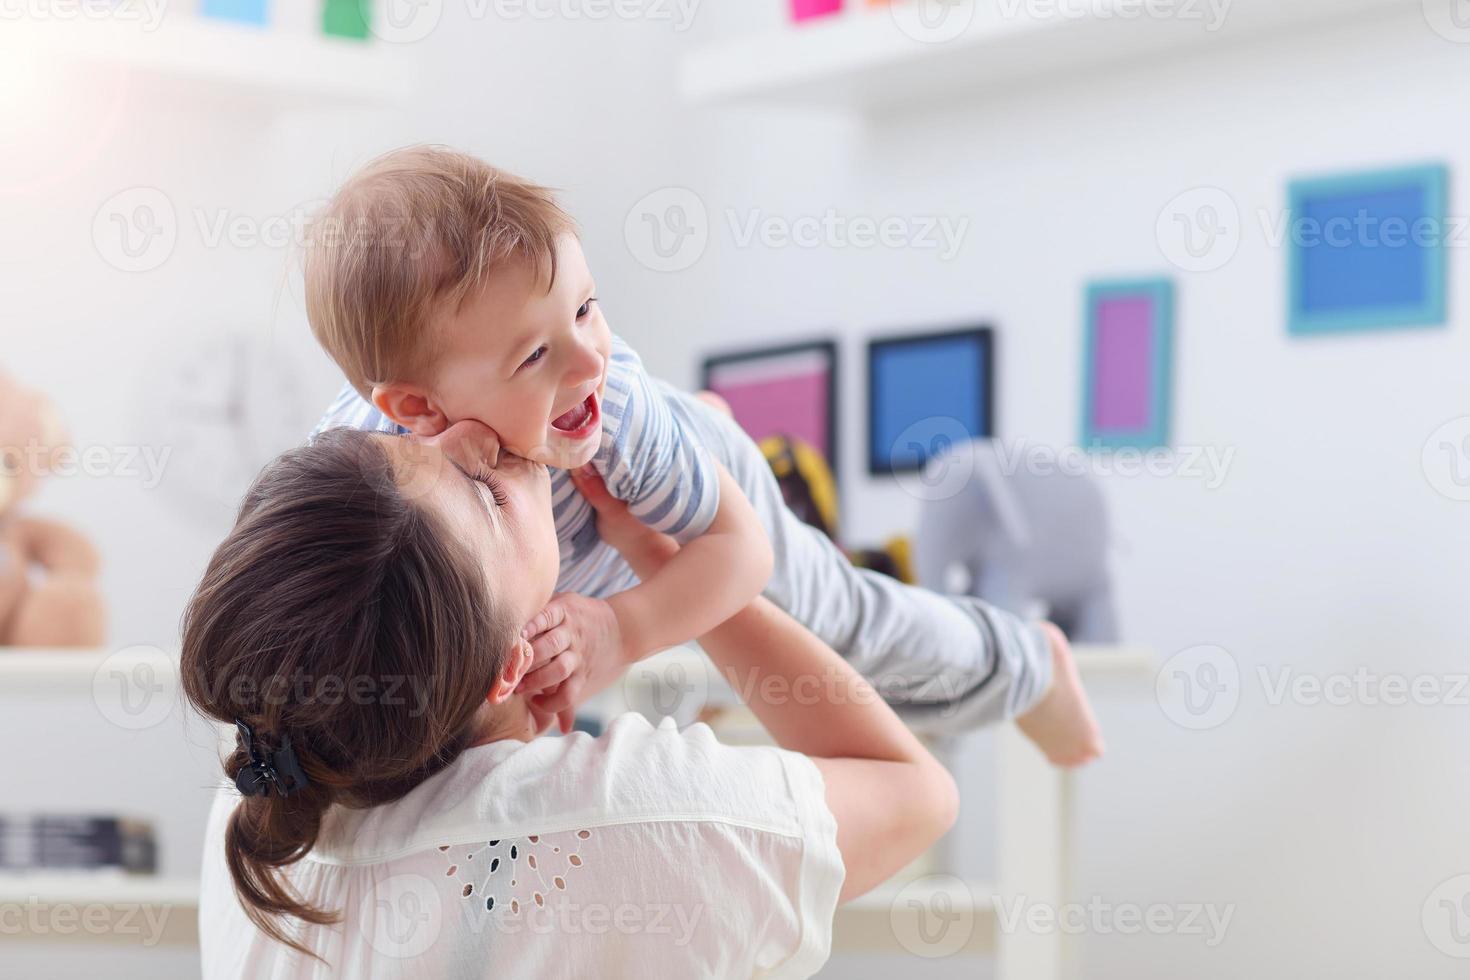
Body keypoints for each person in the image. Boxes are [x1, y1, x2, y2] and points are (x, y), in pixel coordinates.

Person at [305, 145, 1102, 763]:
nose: (588, 358)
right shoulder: (353, 480)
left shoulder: (604, 404)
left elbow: (742, 552)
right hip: (635, 489)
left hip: (688, 502)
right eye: (533, 357)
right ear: (415, 410)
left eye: (586, 308)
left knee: (835, 620)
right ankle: (694, 438)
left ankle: (1027, 665)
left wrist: (623, 629)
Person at [183, 424, 958, 977]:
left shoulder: (259, 800)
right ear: (508, 665)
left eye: (411, 430)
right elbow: (914, 791)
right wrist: (673, 565)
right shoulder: (645, 822)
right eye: (489, 495)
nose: (473, 435)